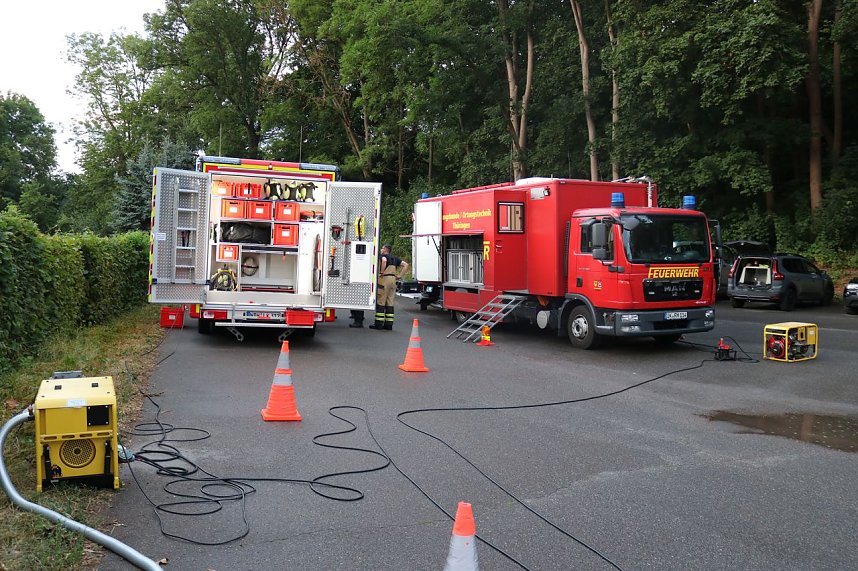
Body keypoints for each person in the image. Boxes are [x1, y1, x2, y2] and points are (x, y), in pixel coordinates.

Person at [369, 244, 408, 330]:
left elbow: (383, 261)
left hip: (384, 279)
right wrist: (400, 275)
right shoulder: (395, 258)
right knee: (390, 302)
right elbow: (406, 265)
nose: (381, 249)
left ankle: (378, 325)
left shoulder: (382, 256)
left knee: (381, 301)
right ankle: (389, 325)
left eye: (382, 248)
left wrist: (382, 272)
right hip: (393, 279)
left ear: (386, 249)